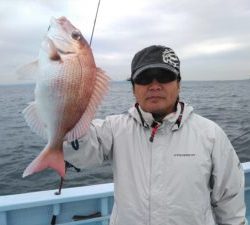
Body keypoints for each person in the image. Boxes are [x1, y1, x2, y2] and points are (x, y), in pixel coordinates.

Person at [64, 45, 247, 225]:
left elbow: (229, 199)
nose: (154, 86)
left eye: (164, 77)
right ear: (133, 88)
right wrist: (67, 105)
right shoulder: (113, 128)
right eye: (144, 78)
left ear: (179, 84)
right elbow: (80, 154)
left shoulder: (210, 133)